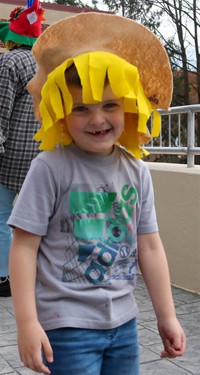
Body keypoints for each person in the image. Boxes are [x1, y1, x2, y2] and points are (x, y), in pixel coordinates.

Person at [8, 12, 186, 375]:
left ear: (129, 106)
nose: (97, 119)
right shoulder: (49, 167)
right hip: (66, 327)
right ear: (60, 113)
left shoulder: (136, 170)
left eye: (109, 105)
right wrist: (27, 323)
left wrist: (166, 316)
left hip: (124, 325)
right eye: (81, 109)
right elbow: (24, 247)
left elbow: (149, 246)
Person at [0, 0, 45, 297]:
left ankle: (4, 278)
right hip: (41, 155)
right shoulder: (47, 65)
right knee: (32, 222)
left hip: (10, 154)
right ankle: (31, 276)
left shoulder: (8, 62)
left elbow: (1, 110)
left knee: (2, 216)